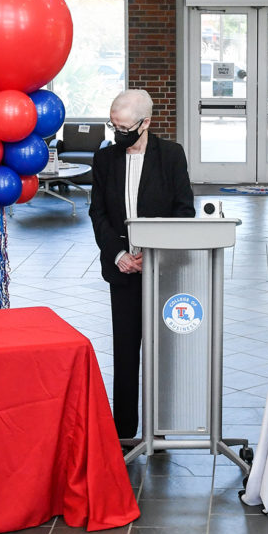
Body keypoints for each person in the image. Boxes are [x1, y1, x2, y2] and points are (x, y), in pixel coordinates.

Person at [89, 89, 195, 440]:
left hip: (163, 271)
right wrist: (119, 256)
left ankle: (160, 428)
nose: (117, 133)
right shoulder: (105, 159)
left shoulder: (171, 156)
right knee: (125, 351)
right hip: (123, 271)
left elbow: (184, 211)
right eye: (113, 125)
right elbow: (98, 213)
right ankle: (123, 432)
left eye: (123, 127)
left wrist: (152, 254)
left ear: (146, 123)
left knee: (163, 354)